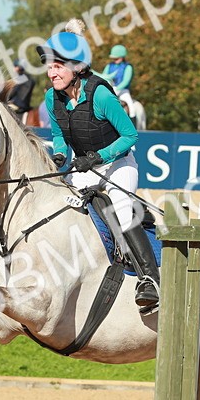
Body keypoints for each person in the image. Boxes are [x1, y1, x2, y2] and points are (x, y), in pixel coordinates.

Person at [38, 19, 157, 314]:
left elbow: (131, 135)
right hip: (84, 168)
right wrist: (59, 156)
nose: (52, 72)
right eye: (50, 66)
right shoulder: (51, 98)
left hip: (118, 164)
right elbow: (58, 135)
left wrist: (95, 158)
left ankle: (149, 280)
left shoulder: (101, 94)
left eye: (58, 66)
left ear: (78, 67)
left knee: (121, 209)